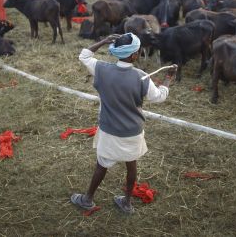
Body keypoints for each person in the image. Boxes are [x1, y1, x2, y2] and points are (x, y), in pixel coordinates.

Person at [72, 33, 172, 214]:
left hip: (109, 130)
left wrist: (103, 40)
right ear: (134, 55)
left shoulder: (101, 69)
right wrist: (168, 80)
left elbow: (84, 55)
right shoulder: (142, 77)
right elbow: (159, 97)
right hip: (133, 132)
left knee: (101, 165)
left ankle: (87, 199)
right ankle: (126, 202)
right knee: (131, 164)